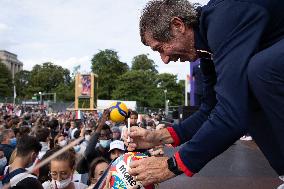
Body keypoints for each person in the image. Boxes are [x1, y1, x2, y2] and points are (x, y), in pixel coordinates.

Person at [124, 0, 284, 187]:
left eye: (160, 48)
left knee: (262, 71)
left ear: (178, 25)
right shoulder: (206, 48)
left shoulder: (223, 22)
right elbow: (211, 108)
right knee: (247, 87)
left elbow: (231, 114)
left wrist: (170, 166)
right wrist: (157, 137)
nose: (165, 59)